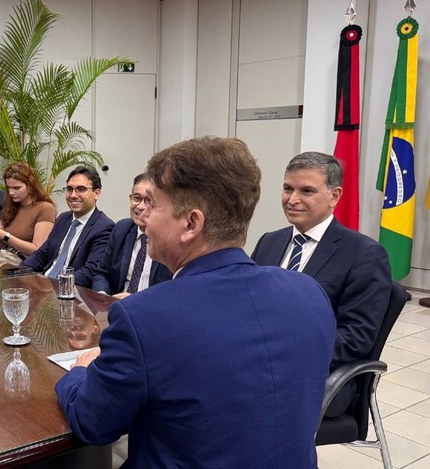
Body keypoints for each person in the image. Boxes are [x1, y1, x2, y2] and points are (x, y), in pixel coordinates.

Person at [55, 136, 336, 468]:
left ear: (191, 223)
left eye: (153, 205)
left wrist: (79, 372)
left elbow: (93, 423)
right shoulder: (309, 293)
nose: (143, 216)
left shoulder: (143, 318)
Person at [252, 151, 392, 417]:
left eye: (306, 191)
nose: (292, 200)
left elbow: (356, 337)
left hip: (319, 375)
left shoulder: (364, 255)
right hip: (257, 362)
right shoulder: (269, 241)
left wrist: (283, 353)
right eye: (287, 188)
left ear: (335, 196)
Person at [19, 166, 114, 287]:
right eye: (69, 189)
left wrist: (55, 286)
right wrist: (18, 273)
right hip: (45, 283)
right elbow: (42, 254)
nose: (73, 195)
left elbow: (90, 272)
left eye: (81, 189)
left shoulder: (104, 227)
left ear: (96, 193)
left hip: (70, 291)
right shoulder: (63, 218)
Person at [91, 173, 171, 296]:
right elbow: (102, 273)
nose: (141, 206)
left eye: (149, 200)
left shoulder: (170, 237)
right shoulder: (121, 229)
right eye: (136, 198)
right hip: (116, 306)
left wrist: (136, 301)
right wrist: (103, 296)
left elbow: (173, 290)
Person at [0, 162, 56, 260]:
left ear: (30, 186)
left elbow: (37, 250)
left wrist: (5, 236)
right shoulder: (11, 206)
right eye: (9, 188)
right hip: (2, 259)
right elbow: (1, 245)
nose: (11, 193)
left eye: (17, 188)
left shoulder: (45, 208)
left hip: (23, 265)